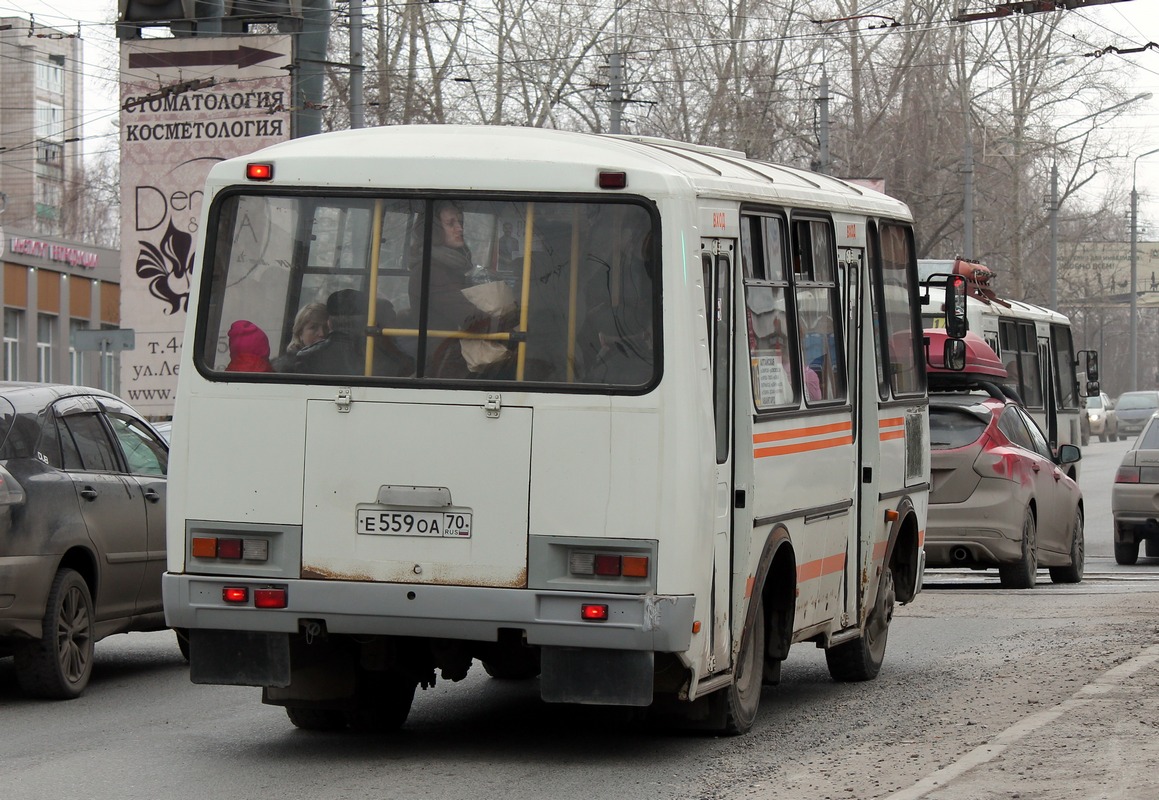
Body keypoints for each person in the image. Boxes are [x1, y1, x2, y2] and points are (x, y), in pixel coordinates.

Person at [273, 303, 328, 370]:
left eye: (326, 327)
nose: (322, 333)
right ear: (300, 333)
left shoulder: (339, 359)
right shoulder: (288, 368)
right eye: (313, 327)